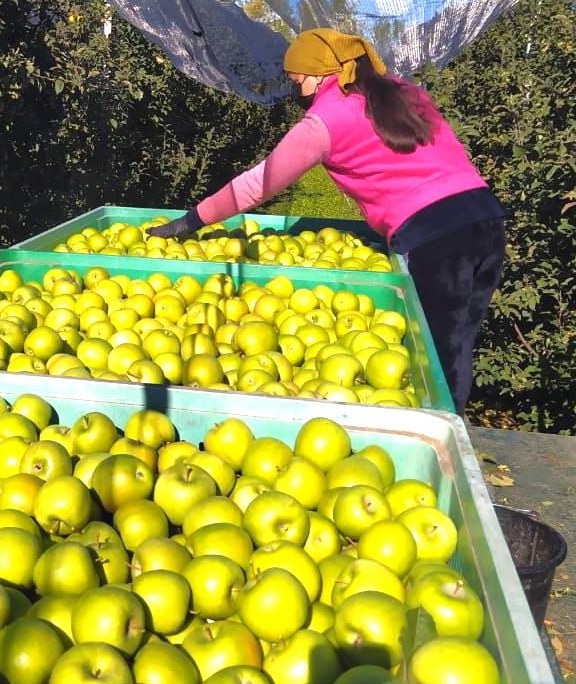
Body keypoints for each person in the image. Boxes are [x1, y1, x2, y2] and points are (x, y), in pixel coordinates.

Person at [157, 28, 504, 413]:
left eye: (296, 82)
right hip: (484, 216)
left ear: (319, 75)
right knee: (458, 343)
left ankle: (444, 448)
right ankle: (453, 429)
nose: (295, 91)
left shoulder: (323, 122)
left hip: (433, 235)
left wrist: (192, 220)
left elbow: (261, 182)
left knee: (434, 357)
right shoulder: (404, 90)